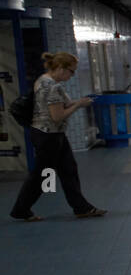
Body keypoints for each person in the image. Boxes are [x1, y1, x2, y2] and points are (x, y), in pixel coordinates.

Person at [9, 51, 107, 221]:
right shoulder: (52, 87)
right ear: (61, 68)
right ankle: (21, 209)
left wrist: (79, 102)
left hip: (52, 135)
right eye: (72, 71)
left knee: (68, 169)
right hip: (48, 136)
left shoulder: (44, 80)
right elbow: (58, 116)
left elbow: (60, 106)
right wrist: (78, 106)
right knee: (43, 174)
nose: (72, 75)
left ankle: (81, 208)